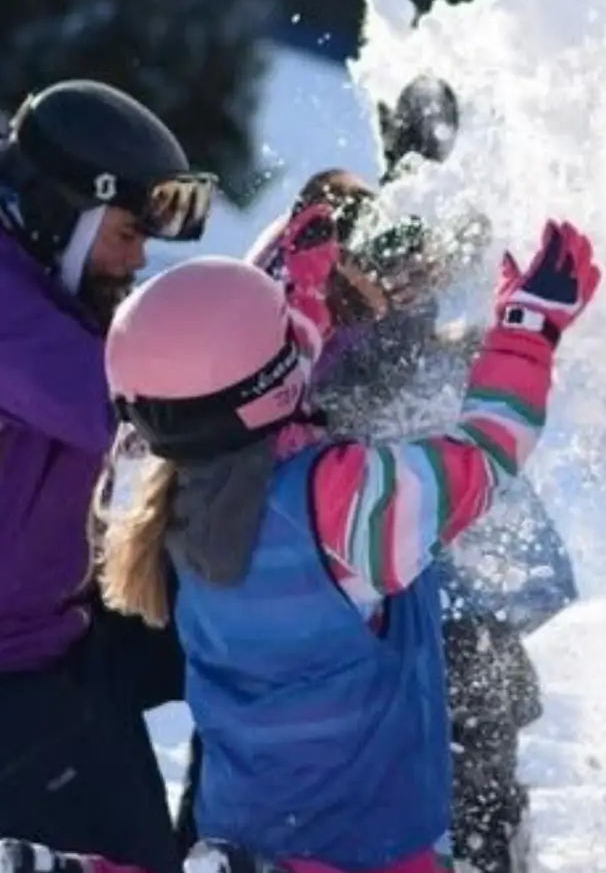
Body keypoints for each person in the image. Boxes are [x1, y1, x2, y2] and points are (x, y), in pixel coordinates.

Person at [0, 205, 601, 873]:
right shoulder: (342, 506)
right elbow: (483, 453)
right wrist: (528, 329)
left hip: (247, 827)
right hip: (365, 841)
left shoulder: (166, 487)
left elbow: (244, 390)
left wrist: (300, 300)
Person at [0, 81, 213, 873]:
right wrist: (286, 305)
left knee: (265, 625)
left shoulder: (30, 274)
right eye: (128, 234)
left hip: (39, 628)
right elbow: (146, 409)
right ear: (64, 212)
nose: (138, 259)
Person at [247, 161, 573, 873]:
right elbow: (471, 444)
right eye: (388, 271)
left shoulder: (369, 327)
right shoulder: (295, 338)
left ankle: (490, 841)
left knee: (479, 708)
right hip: (354, 624)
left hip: (420, 600)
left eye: (418, 272)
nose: (406, 287)